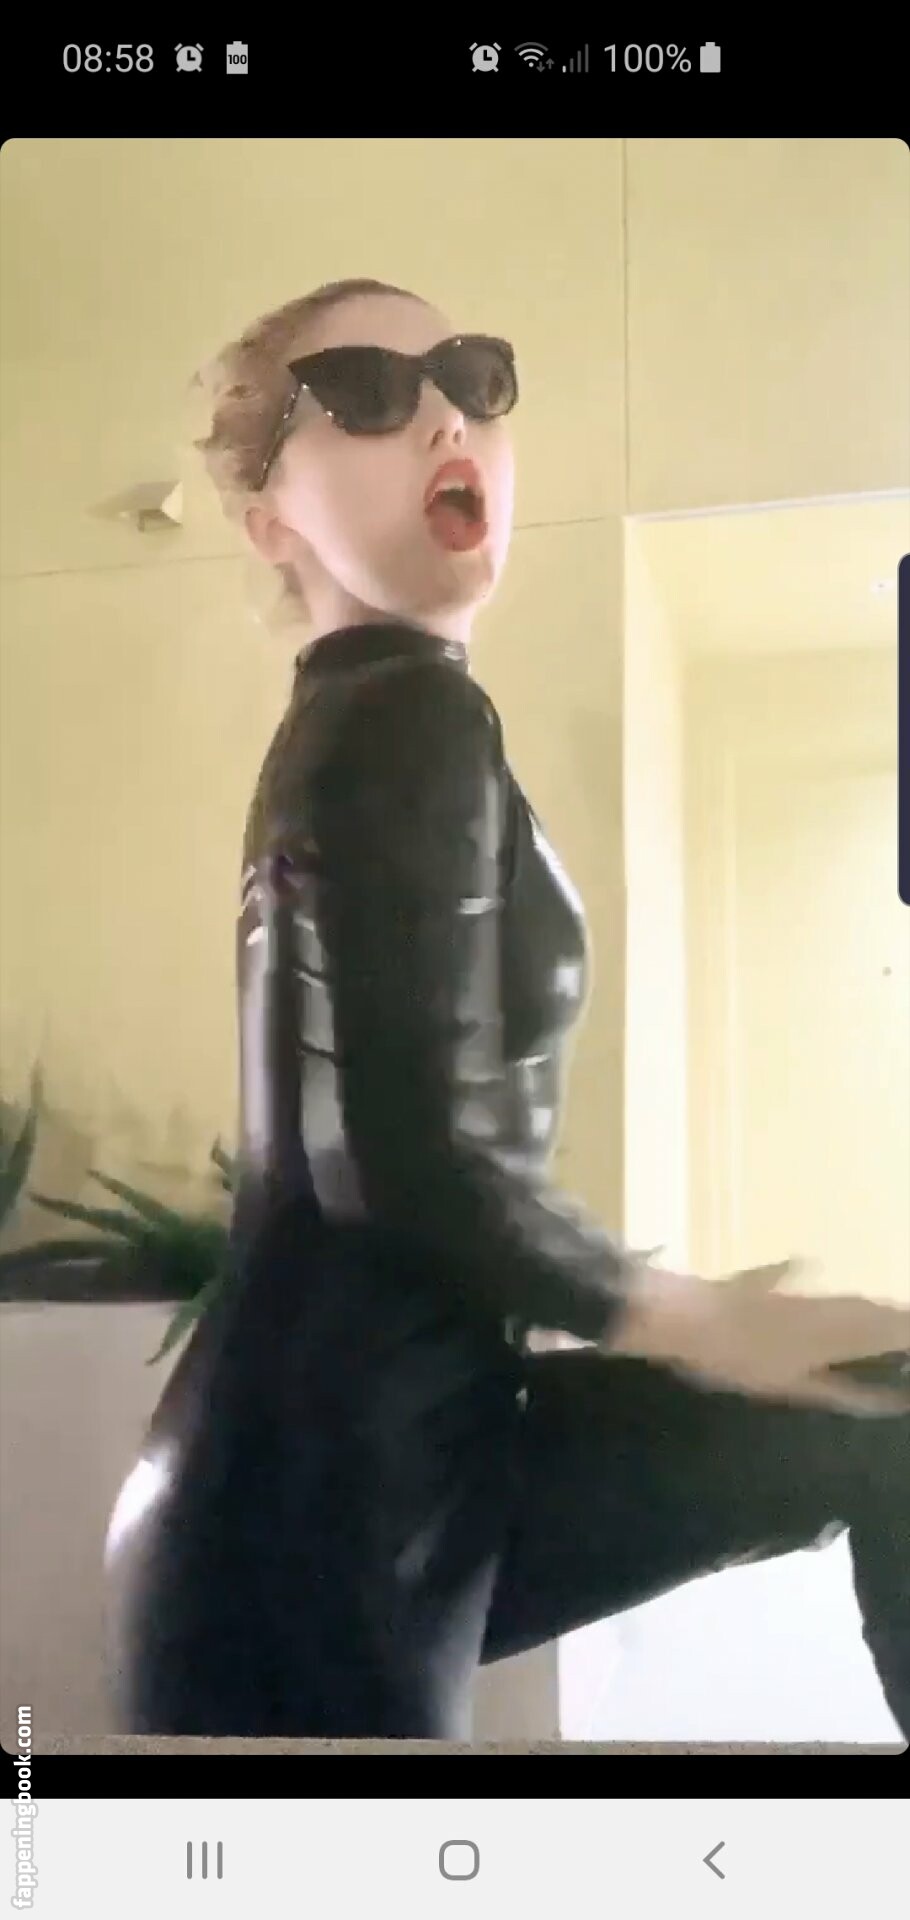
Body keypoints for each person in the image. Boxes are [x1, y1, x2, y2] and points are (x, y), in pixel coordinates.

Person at [104, 278, 910, 1741]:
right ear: (270, 521)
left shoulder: (384, 717)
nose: (442, 417)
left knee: (883, 1413)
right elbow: (399, 1154)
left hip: (409, 1448)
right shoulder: (401, 714)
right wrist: (687, 1316)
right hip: (323, 1495)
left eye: (472, 377)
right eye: (364, 390)